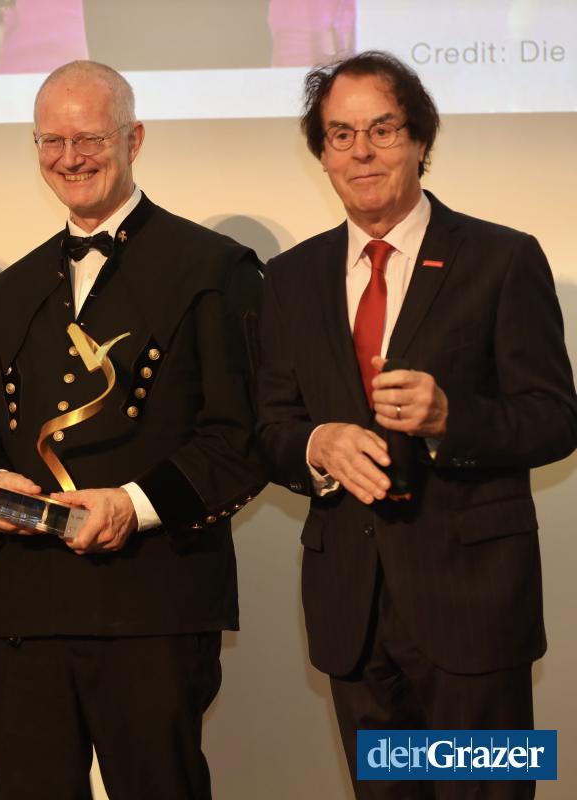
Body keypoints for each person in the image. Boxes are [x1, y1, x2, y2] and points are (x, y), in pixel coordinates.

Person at [257, 50, 577, 799]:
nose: (361, 152)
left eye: (383, 130)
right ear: (322, 155)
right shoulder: (290, 277)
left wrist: (448, 419)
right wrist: (316, 443)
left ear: (421, 140)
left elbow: (556, 419)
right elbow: (268, 427)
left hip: (475, 614)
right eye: (341, 135)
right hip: (354, 615)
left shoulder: (502, 258)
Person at [0, 60, 266, 799]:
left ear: (133, 139)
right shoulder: (11, 288)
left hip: (155, 603)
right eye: (52, 141)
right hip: (26, 611)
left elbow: (239, 439)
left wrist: (132, 506)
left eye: (89, 138)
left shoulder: (214, 269)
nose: (70, 158)